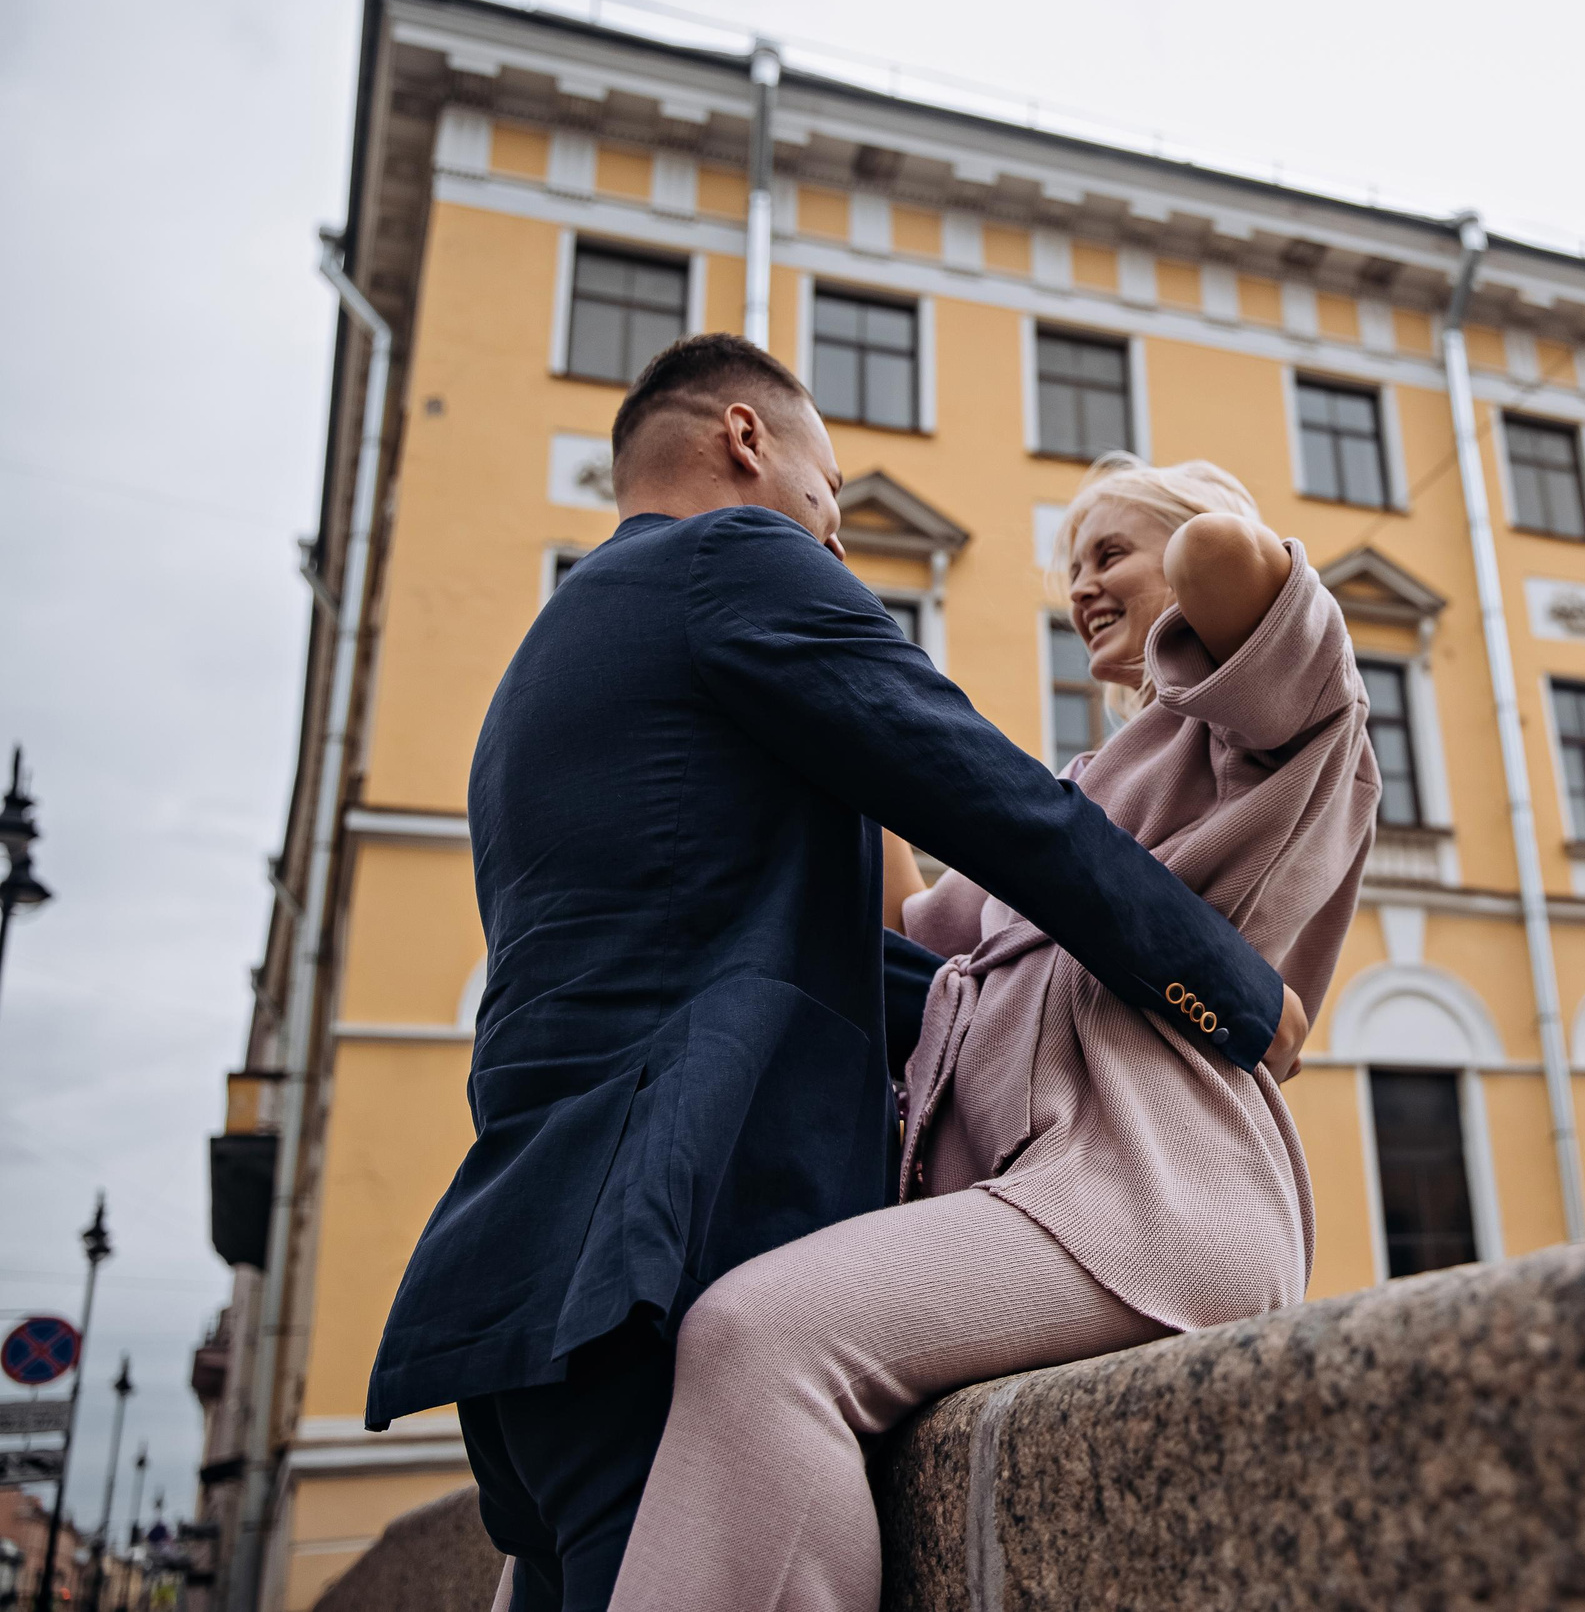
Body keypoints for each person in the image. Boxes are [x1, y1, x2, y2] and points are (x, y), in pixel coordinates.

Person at [362, 337, 1309, 1612]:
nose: (838, 537)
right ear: (746, 439)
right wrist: (1231, 992)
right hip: (678, 1245)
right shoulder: (732, 559)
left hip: (533, 1271)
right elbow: (991, 796)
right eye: (831, 489)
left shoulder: (547, 662)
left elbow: (778, 950)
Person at [606, 454, 1378, 1611]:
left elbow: (1228, 564)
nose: (1082, 587)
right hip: (1050, 1204)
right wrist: (823, 708)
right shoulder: (1084, 788)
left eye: (1107, 555)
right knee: (710, 1349)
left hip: (1155, 1199)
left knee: (753, 1334)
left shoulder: (1263, 732)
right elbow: (913, 928)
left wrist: (1177, 524)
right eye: (1072, 567)